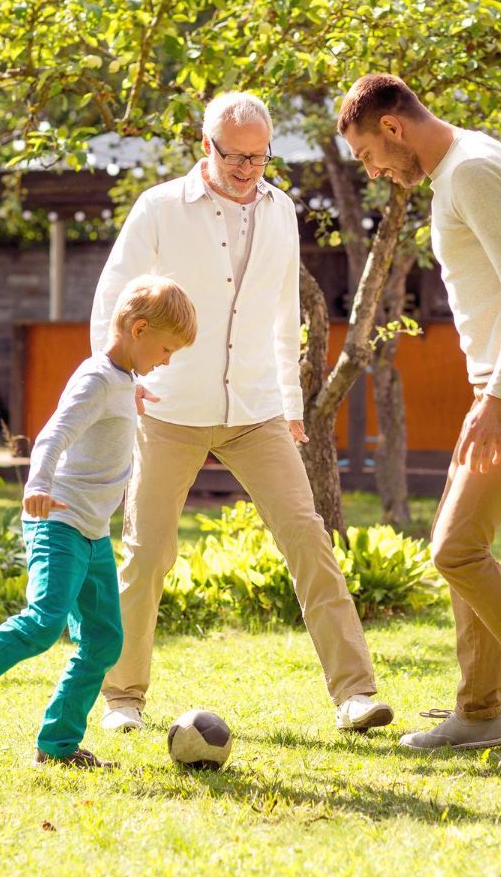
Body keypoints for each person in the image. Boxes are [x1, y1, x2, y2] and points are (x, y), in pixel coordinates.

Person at [92, 91, 394, 735]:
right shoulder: (160, 208)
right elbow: (111, 295)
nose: (248, 169)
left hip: (256, 408)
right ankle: (122, 698)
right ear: (207, 147)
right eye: (236, 157)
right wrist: (116, 379)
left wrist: (289, 403)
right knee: (147, 553)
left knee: (308, 538)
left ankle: (354, 694)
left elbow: (283, 315)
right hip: (169, 406)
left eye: (259, 157)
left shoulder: (281, 210)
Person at [336, 74, 501, 768]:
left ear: (392, 127)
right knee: (459, 547)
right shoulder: (459, 170)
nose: (374, 170)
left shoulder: (475, 170)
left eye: (368, 155)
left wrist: (499, 398)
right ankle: (479, 714)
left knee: (457, 550)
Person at [0, 276, 197, 768]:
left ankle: (57, 746)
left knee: (104, 639)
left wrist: (133, 399)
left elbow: (111, 406)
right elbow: (53, 433)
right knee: (43, 623)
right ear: (139, 328)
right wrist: (37, 483)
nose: (167, 360)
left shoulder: (121, 382)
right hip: (57, 519)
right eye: (166, 349)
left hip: (90, 531)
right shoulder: (97, 379)